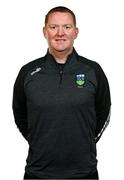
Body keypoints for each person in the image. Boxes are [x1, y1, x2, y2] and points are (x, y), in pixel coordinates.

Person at [12, 6, 111, 179]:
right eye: (53, 27)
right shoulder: (28, 72)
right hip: (38, 173)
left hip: (83, 172)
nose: (60, 33)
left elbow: (104, 111)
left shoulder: (93, 70)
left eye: (67, 27)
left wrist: (86, 140)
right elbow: (19, 114)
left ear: (76, 32)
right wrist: (37, 140)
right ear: (45, 31)